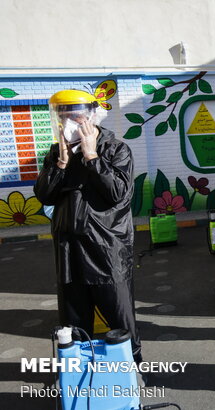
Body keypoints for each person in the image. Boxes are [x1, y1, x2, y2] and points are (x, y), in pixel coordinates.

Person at [34, 90, 141, 362]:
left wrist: (92, 156)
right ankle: (79, 373)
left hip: (106, 250)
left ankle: (133, 369)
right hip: (69, 251)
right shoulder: (58, 153)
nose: (70, 122)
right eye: (64, 117)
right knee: (74, 322)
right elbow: (44, 194)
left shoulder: (115, 149)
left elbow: (119, 193)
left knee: (119, 317)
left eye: (76, 116)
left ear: (92, 116)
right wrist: (61, 162)